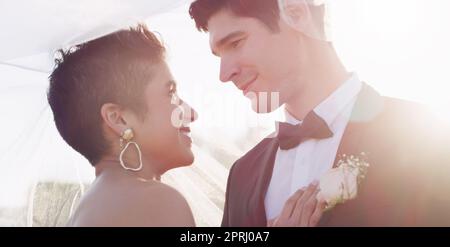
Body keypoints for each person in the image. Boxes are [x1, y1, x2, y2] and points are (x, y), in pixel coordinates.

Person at [189, 0, 450, 226]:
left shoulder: (419, 133)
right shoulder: (241, 175)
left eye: (236, 43)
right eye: (218, 56)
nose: (224, 74)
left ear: (296, 14)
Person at [47, 24, 198, 226]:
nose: (191, 113)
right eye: (170, 93)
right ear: (119, 119)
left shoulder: (87, 210)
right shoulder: (157, 203)